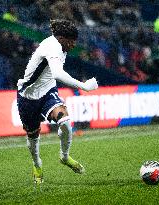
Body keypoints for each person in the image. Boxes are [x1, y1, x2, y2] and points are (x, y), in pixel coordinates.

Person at [16, 19, 98, 184]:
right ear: (62, 38)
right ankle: (37, 163)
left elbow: (53, 76)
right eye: (72, 41)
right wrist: (84, 86)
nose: (73, 45)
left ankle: (65, 156)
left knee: (65, 122)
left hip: (47, 92)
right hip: (28, 97)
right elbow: (58, 74)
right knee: (33, 137)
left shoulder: (61, 46)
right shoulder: (52, 47)